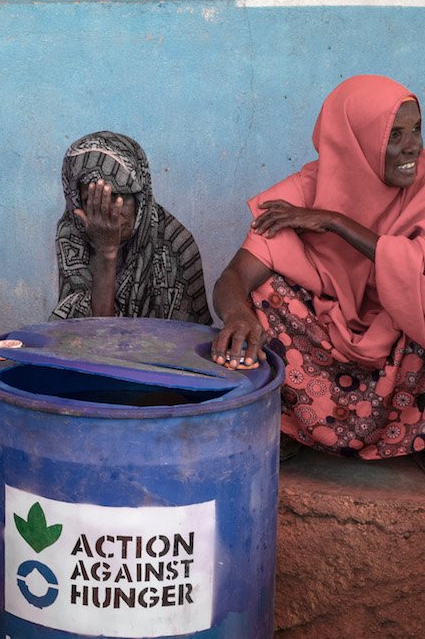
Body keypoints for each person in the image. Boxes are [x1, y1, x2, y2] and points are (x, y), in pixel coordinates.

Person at [211, 74, 425, 460]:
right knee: (265, 295)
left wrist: (334, 222)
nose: (413, 146)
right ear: (356, 141)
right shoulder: (302, 192)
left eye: (416, 129)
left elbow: (415, 276)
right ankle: (291, 432)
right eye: (394, 136)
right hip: (326, 344)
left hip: (401, 348)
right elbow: (235, 277)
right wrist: (237, 315)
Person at [50, 131, 212, 324]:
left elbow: (187, 341)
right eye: (93, 201)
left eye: (119, 197)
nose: (109, 212)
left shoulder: (174, 242)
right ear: (76, 204)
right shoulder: (73, 234)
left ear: (140, 197)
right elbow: (89, 332)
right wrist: (106, 251)